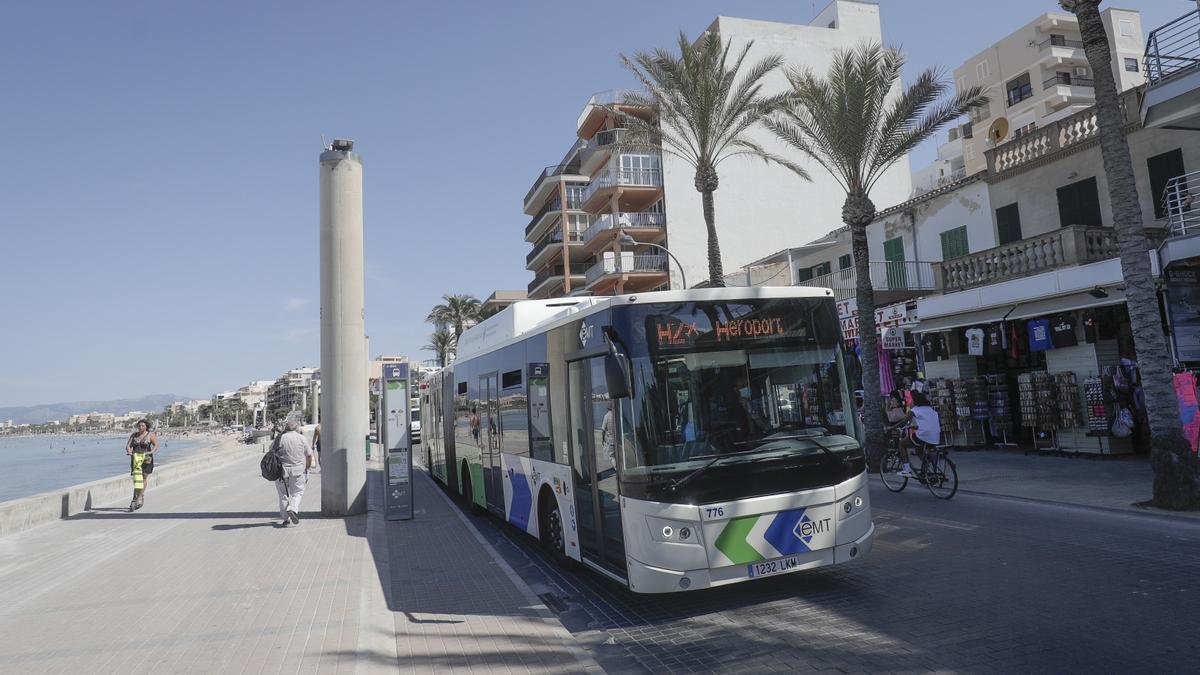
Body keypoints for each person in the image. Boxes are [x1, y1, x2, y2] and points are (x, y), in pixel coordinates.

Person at [273, 418, 315, 527]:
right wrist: (307, 467)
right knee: (298, 492)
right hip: (298, 470)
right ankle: (292, 508)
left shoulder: (279, 438)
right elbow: (309, 455)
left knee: (283, 495)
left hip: (281, 471)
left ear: (286, 428)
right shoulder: (301, 438)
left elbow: (271, 451)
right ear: (296, 428)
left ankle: (286, 520)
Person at [888, 391, 940, 478]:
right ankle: (925, 470)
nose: (911, 402)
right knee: (918, 451)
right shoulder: (931, 409)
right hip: (935, 437)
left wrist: (891, 428)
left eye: (912, 400)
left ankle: (907, 470)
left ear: (915, 401)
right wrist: (916, 427)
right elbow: (928, 423)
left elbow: (904, 421)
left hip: (923, 436)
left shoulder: (914, 410)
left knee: (902, 444)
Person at [124, 418, 158, 511]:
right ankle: (135, 497)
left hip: (146, 458)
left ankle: (140, 496)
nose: (141, 427)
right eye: (139, 425)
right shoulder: (134, 435)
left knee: (143, 478)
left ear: (146, 426)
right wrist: (129, 451)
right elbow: (128, 445)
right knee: (136, 479)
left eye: (143, 425)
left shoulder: (150, 435)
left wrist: (151, 452)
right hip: (135, 459)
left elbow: (156, 445)